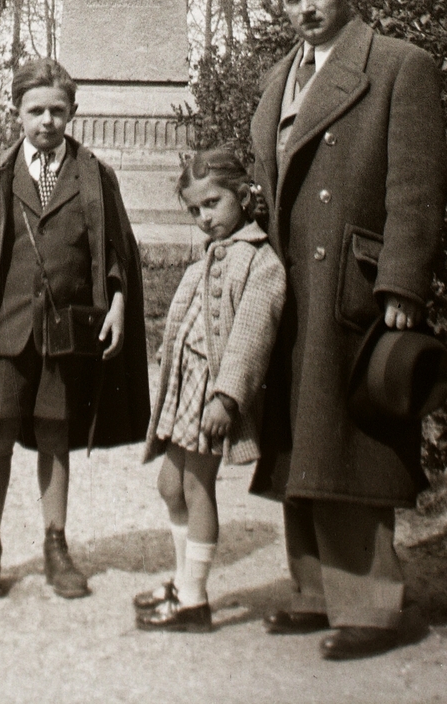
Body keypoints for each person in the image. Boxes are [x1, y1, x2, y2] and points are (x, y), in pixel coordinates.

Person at [249, 0, 447, 660]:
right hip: (293, 285)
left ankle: (369, 610)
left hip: (355, 289)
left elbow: (415, 190)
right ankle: (312, 594)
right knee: (300, 442)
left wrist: (400, 282)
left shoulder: (398, 65)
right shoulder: (278, 78)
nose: (305, 9)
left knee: (351, 443)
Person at [0, 57, 150, 601]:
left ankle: (56, 546)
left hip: (65, 337)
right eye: (35, 111)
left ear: (73, 111)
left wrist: (118, 304)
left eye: (57, 110)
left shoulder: (95, 176)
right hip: (5, 332)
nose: (47, 121)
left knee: (55, 436)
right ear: (16, 112)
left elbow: (118, 253)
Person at [134, 146, 286, 632]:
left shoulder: (261, 264)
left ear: (243, 197)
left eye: (212, 204)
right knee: (169, 484)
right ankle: (183, 580)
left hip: (212, 397)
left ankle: (195, 601)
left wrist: (228, 397)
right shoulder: (208, 258)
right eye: (194, 209)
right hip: (185, 390)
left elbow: (249, 339)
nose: (203, 217)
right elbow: (183, 320)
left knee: (197, 487)